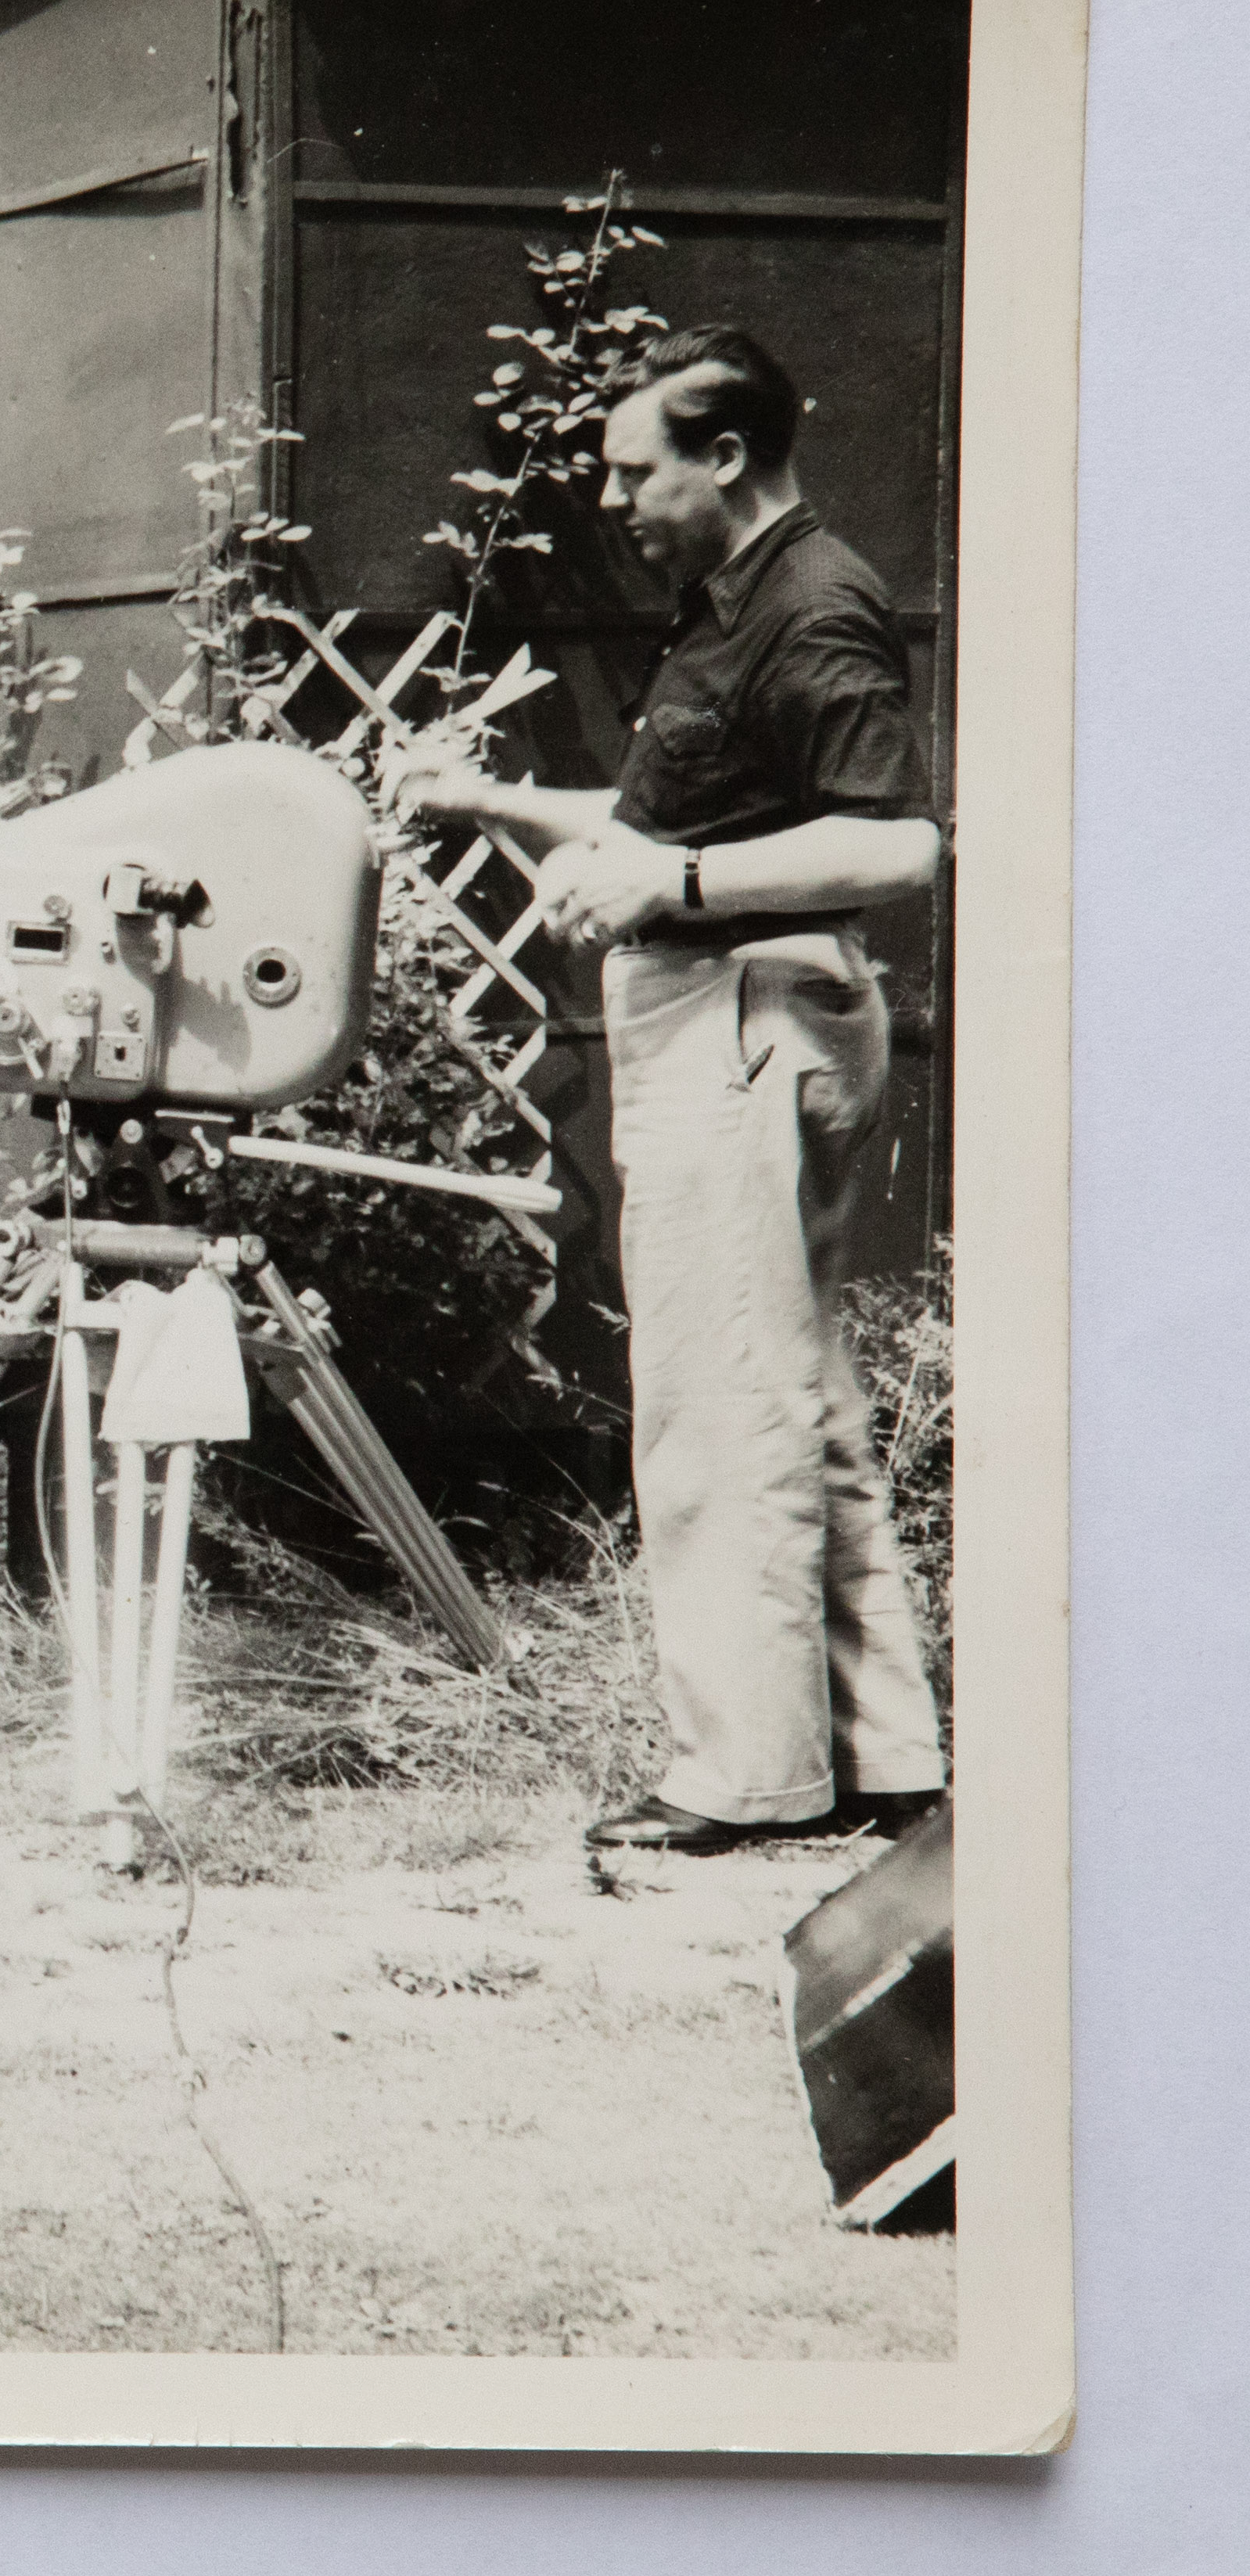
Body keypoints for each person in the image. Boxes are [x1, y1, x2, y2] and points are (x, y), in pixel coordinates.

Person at [397, 323, 948, 1856]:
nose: (611, 495)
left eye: (633, 468)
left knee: (714, 1410)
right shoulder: (732, 602)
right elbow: (666, 811)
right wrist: (494, 794)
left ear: (724, 456)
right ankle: (884, 1753)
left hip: (743, 1017)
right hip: (734, 1007)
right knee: (796, 1394)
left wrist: (679, 877)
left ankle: (738, 1777)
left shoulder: (812, 603)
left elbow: (891, 846)